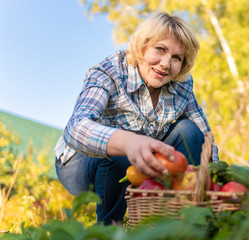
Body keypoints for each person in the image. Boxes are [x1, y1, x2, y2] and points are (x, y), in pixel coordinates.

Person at [54, 12, 219, 225]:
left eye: (176, 58)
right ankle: (109, 229)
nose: (166, 64)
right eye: (160, 49)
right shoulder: (110, 71)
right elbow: (75, 129)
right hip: (80, 165)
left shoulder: (182, 85)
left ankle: (183, 218)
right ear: (143, 46)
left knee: (190, 132)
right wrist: (127, 141)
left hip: (141, 165)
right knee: (118, 152)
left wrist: (219, 179)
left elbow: (206, 138)